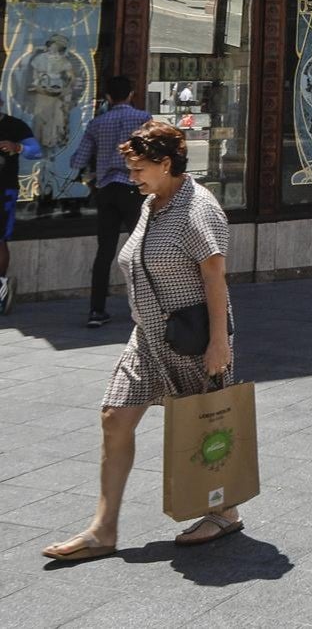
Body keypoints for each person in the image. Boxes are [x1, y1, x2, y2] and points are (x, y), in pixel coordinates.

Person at [42, 121, 239, 562]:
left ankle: (225, 508)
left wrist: (218, 343)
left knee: (208, 423)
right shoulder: (154, 201)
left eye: (138, 169)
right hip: (147, 336)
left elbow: (214, 274)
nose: (132, 178)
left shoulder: (197, 208)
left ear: (166, 163)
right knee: (114, 417)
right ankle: (103, 529)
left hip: (191, 337)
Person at [71, 75, 151, 328]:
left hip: (106, 190)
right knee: (142, 249)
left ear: (107, 97)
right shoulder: (142, 119)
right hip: (133, 188)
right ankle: (146, 307)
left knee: (104, 251)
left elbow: (77, 160)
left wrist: (96, 168)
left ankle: (96, 310)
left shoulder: (97, 123)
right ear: (131, 94)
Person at [0, 94, 43, 315]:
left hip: (3, 190)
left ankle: (0, 285)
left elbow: (36, 151)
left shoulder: (14, 126)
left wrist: (16, 147)